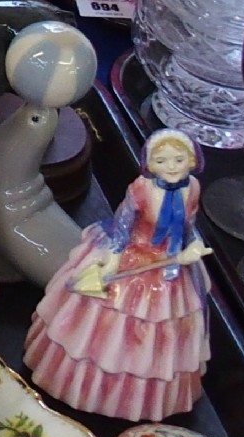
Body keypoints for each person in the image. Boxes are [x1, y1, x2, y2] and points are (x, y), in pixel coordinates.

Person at [23, 128, 210, 421]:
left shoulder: (193, 189)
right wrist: (111, 260)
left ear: (192, 161)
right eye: (163, 160)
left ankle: (139, 399)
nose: (171, 166)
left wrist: (194, 245)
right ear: (150, 164)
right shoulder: (141, 189)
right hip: (131, 255)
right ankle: (82, 385)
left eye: (179, 159)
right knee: (101, 324)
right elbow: (123, 225)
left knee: (161, 332)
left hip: (170, 265)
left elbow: (188, 227)